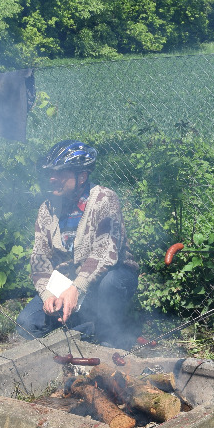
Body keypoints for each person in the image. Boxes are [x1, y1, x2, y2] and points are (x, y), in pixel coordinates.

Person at [17, 140, 140, 348]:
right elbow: (39, 259)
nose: (52, 178)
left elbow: (105, 252)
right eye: (50, 173)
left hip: (107, 279)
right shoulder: (47, 209)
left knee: (112, 283)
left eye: (60, 173)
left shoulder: (104, 199)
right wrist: (48, 296)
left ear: (82, 176)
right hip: (66, 283)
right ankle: (84, 326)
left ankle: (109, 337)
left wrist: (76, 288)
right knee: (27, 324)